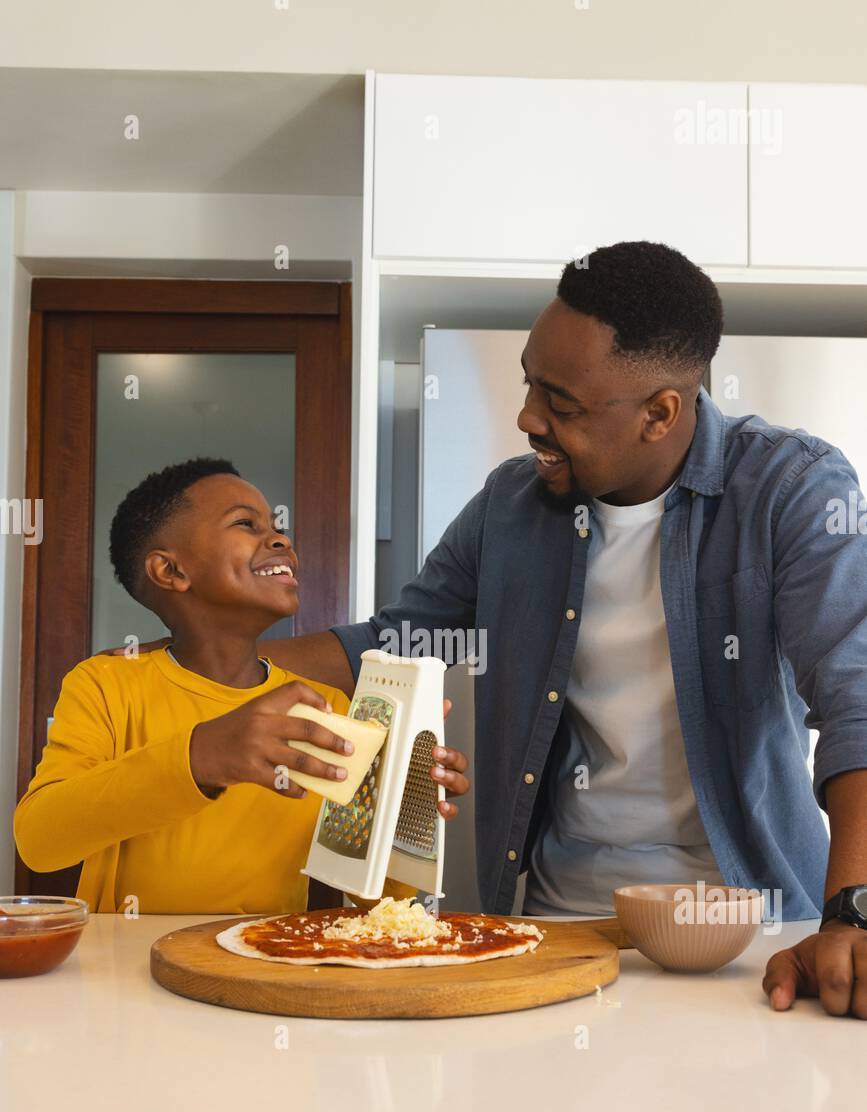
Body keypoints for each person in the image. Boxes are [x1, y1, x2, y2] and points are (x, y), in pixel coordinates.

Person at [248, 240, 867, 1019]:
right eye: (529, 384)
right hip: (556, 928)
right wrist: (189, 673)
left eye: (562, 405)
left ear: (659, 413)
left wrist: (852, 910)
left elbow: (855, 700)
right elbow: (395, 640)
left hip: (753, 937)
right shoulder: (510, 505)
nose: (527, 418)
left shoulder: (789, 488)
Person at [14, 460, 469, 914]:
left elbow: (379, 895)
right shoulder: (106, 685)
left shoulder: (326, 707)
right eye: (245, 523)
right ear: (170, 571)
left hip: (267, 969)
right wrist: (201, 757)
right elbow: (39, 840)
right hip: (125, 974)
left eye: (275, 525)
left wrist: (409, 800)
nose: (280, 539)